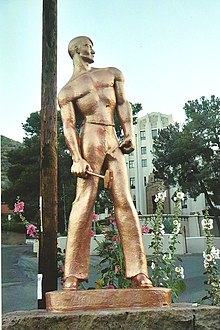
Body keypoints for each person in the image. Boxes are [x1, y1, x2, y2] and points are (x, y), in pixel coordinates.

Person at [58, 36, 152, 290]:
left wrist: (129, 131)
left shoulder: (112, 73)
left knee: (124, 200)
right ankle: (72, 275)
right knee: (84, 201)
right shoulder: (67, 91)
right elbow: (68, 125)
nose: (93, 50)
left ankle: (139, 272)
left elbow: (122, 103)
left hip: (112, 137)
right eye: (88, 46)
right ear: (76, 50)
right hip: (89, 138)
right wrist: (77, 157)